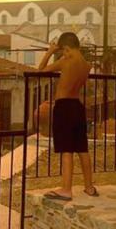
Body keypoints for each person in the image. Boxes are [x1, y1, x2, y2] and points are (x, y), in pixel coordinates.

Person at [38, 32, 98, 200]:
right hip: (77, 107)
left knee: (67, 150)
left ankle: (66, 189)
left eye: (63, 50)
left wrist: (50, 52)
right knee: (82, 149)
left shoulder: (66, 61)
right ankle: (89, 187)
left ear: (67, 48)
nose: (63, 53)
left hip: (64, 107)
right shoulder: (86, 65)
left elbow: (40, 70)